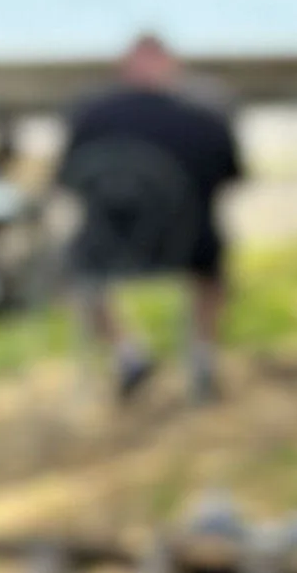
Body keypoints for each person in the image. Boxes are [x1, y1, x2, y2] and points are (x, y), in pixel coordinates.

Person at [60, 34, 242, 402]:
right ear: (171, 67)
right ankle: (201, 356)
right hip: (187, 244)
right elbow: (230, 177)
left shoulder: (91, 117)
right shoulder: (202, 117)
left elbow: (69, 181)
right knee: (212, 258)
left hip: (108, 246)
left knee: (72, 266)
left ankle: (128, 355)